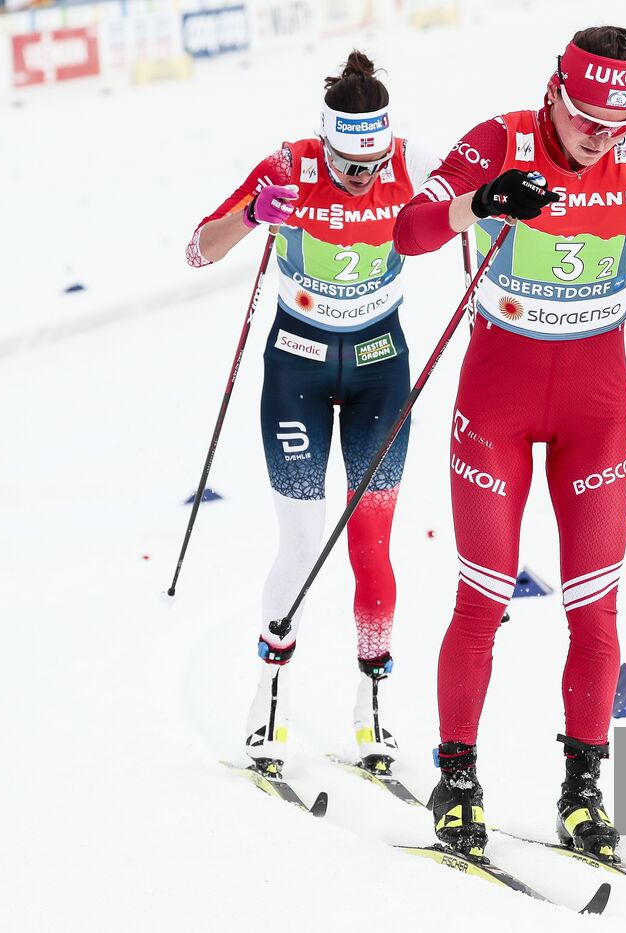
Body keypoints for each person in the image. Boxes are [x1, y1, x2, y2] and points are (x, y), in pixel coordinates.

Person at [392, 25, 626, 860]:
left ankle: (582, 789)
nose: (601, 135)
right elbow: (411, 230)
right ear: (555, 93)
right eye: (586, 118)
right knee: (484, 597)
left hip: (598, 411)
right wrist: (485, 200)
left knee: (595, 608)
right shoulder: (501, 139)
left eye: (616, 121)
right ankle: (456, 777)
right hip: (494, 407)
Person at [185, 51, 438, 780]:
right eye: (347, 164)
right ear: (324, 141)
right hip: (294, 363)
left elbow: (477, 212)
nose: (361, 177)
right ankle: (268, 696)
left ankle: (373, 707)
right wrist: (249, 214)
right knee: (300, 544)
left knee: (371, 544)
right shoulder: (288, 164)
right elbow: (198, 250)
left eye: (372, 162)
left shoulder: (412, 161)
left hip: (379, 366)